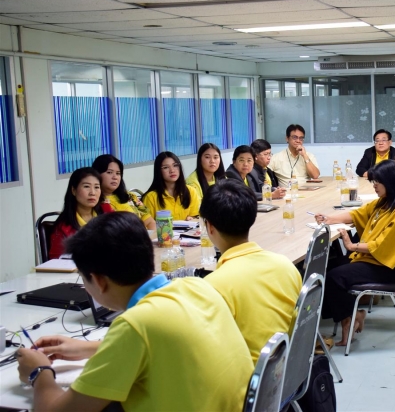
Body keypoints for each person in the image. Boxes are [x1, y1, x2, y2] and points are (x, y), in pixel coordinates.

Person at [17, 212, 253, 412]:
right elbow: (160, 344)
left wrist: (39, 372)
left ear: (99, 281)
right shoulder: (195, 287)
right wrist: (86, 348)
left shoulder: (134, 325)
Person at [315, 160, 395, 346]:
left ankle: (349, 319)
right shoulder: (387, 201)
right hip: (373, 259)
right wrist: (329, 219)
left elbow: (384, 246)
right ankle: (353, 314)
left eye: (377, 182)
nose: (374, 186)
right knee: (324, 269)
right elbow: (358, 214)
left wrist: (352, 246)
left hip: (388, 266)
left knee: (333, 277)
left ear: (390, 181)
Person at [201, 180, 302, 363]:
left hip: (249, 376)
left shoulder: (212, 286)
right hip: (287, 367)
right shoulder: (286, 266)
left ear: (210, 226)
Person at [49, 167, 113, 259]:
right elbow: (56, 261)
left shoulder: (106, 212)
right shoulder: (63, 227)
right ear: (74, 190)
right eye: (86, 186)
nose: (92, 193)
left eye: (96, 187)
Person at [92, 154, 155, 230]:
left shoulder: (131, 197)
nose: (115, 177)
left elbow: (150, 222)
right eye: (109, 172)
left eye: (118, 173)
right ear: (97, 174)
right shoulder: (93, 202)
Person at [143, 151, 200, 220]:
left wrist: (192, 218)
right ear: (159, 171)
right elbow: (148, 224)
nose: (172, 170)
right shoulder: (151, 197)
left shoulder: (191, 191)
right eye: (166, 167)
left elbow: (196, 216)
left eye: (175, 165)